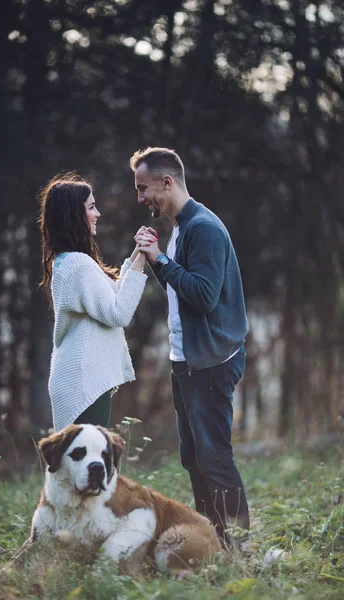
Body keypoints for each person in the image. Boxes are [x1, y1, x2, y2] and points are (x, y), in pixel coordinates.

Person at [130, 147, 250, 546]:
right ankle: (210, 543)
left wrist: (161, 260)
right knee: (194, 460)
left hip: (211, 362)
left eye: (144, 188)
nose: (141, 196)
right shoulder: (182, 227)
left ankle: (238, 550)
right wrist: (154, 260)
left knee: (214, 459)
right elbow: (182, 294)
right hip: (186, 361)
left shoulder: (204, 228)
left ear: (168, 182)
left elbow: (203, 296)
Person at [38, 172, 150, 432]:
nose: (97, 213)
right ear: (73, 215)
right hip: (82, 381)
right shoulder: (78, 265)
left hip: (79, 378)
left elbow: (109, 297)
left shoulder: (70, 261)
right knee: (88, 466)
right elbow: (119, 313)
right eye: (91, 207)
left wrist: (136, 253)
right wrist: (144, 257)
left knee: (80, 464)